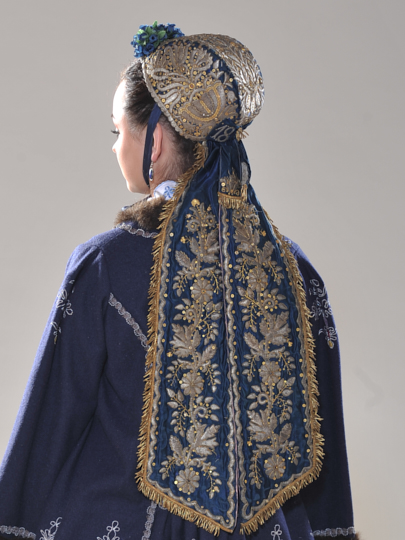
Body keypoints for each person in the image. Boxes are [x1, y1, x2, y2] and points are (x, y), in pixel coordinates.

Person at [0, 23, 358, 540]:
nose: (115, 147)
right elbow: (324, 454)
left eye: (117, 131)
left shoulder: (105, 264)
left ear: (156, 140)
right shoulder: (296, 269)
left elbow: (50, 426)